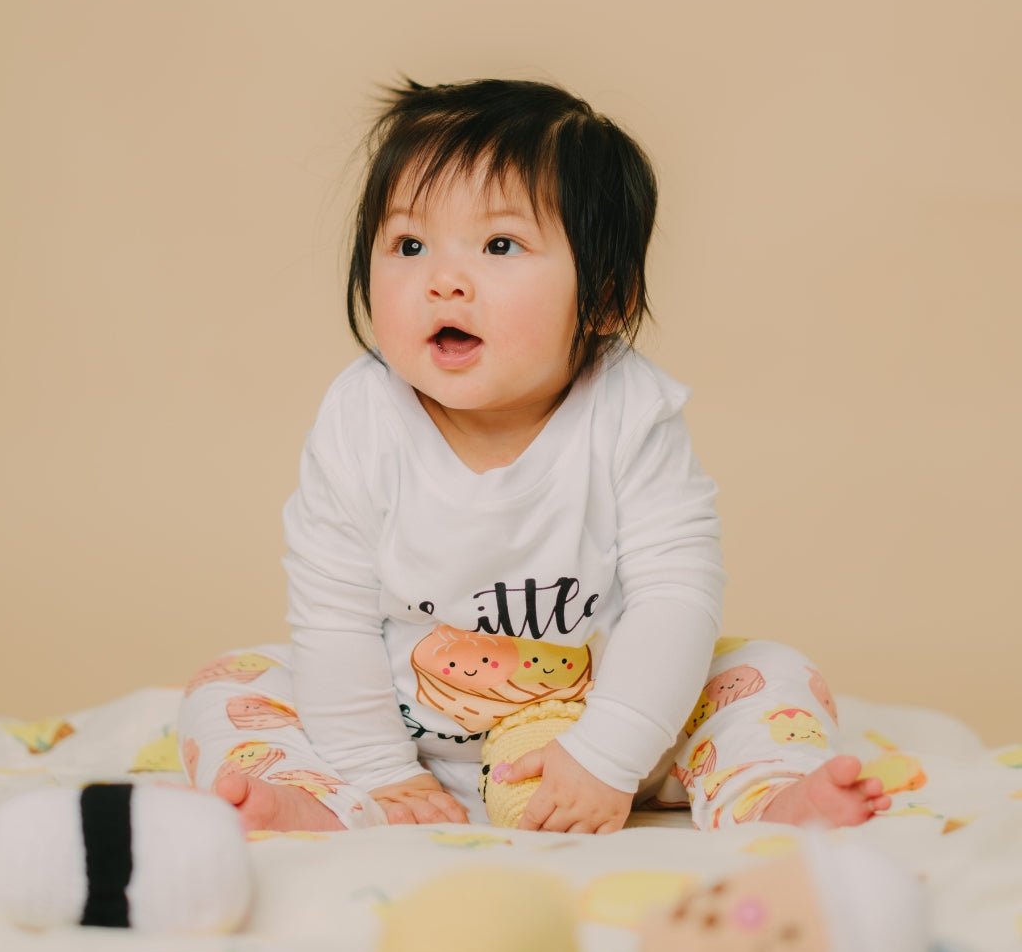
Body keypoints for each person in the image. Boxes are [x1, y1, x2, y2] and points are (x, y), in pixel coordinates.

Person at [177, 78, 891, 834]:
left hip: (605, 722)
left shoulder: (628, 411)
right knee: (229, 685)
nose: (442, 280)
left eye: (499, 245)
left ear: (606, 299)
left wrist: (610, 754)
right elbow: (334, 615)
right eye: (409, 245)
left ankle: (772, 795)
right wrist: (378, 770)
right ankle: (323, 802)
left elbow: (674, 593)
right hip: (407, 736)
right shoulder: (362, 420)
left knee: (768, 672)